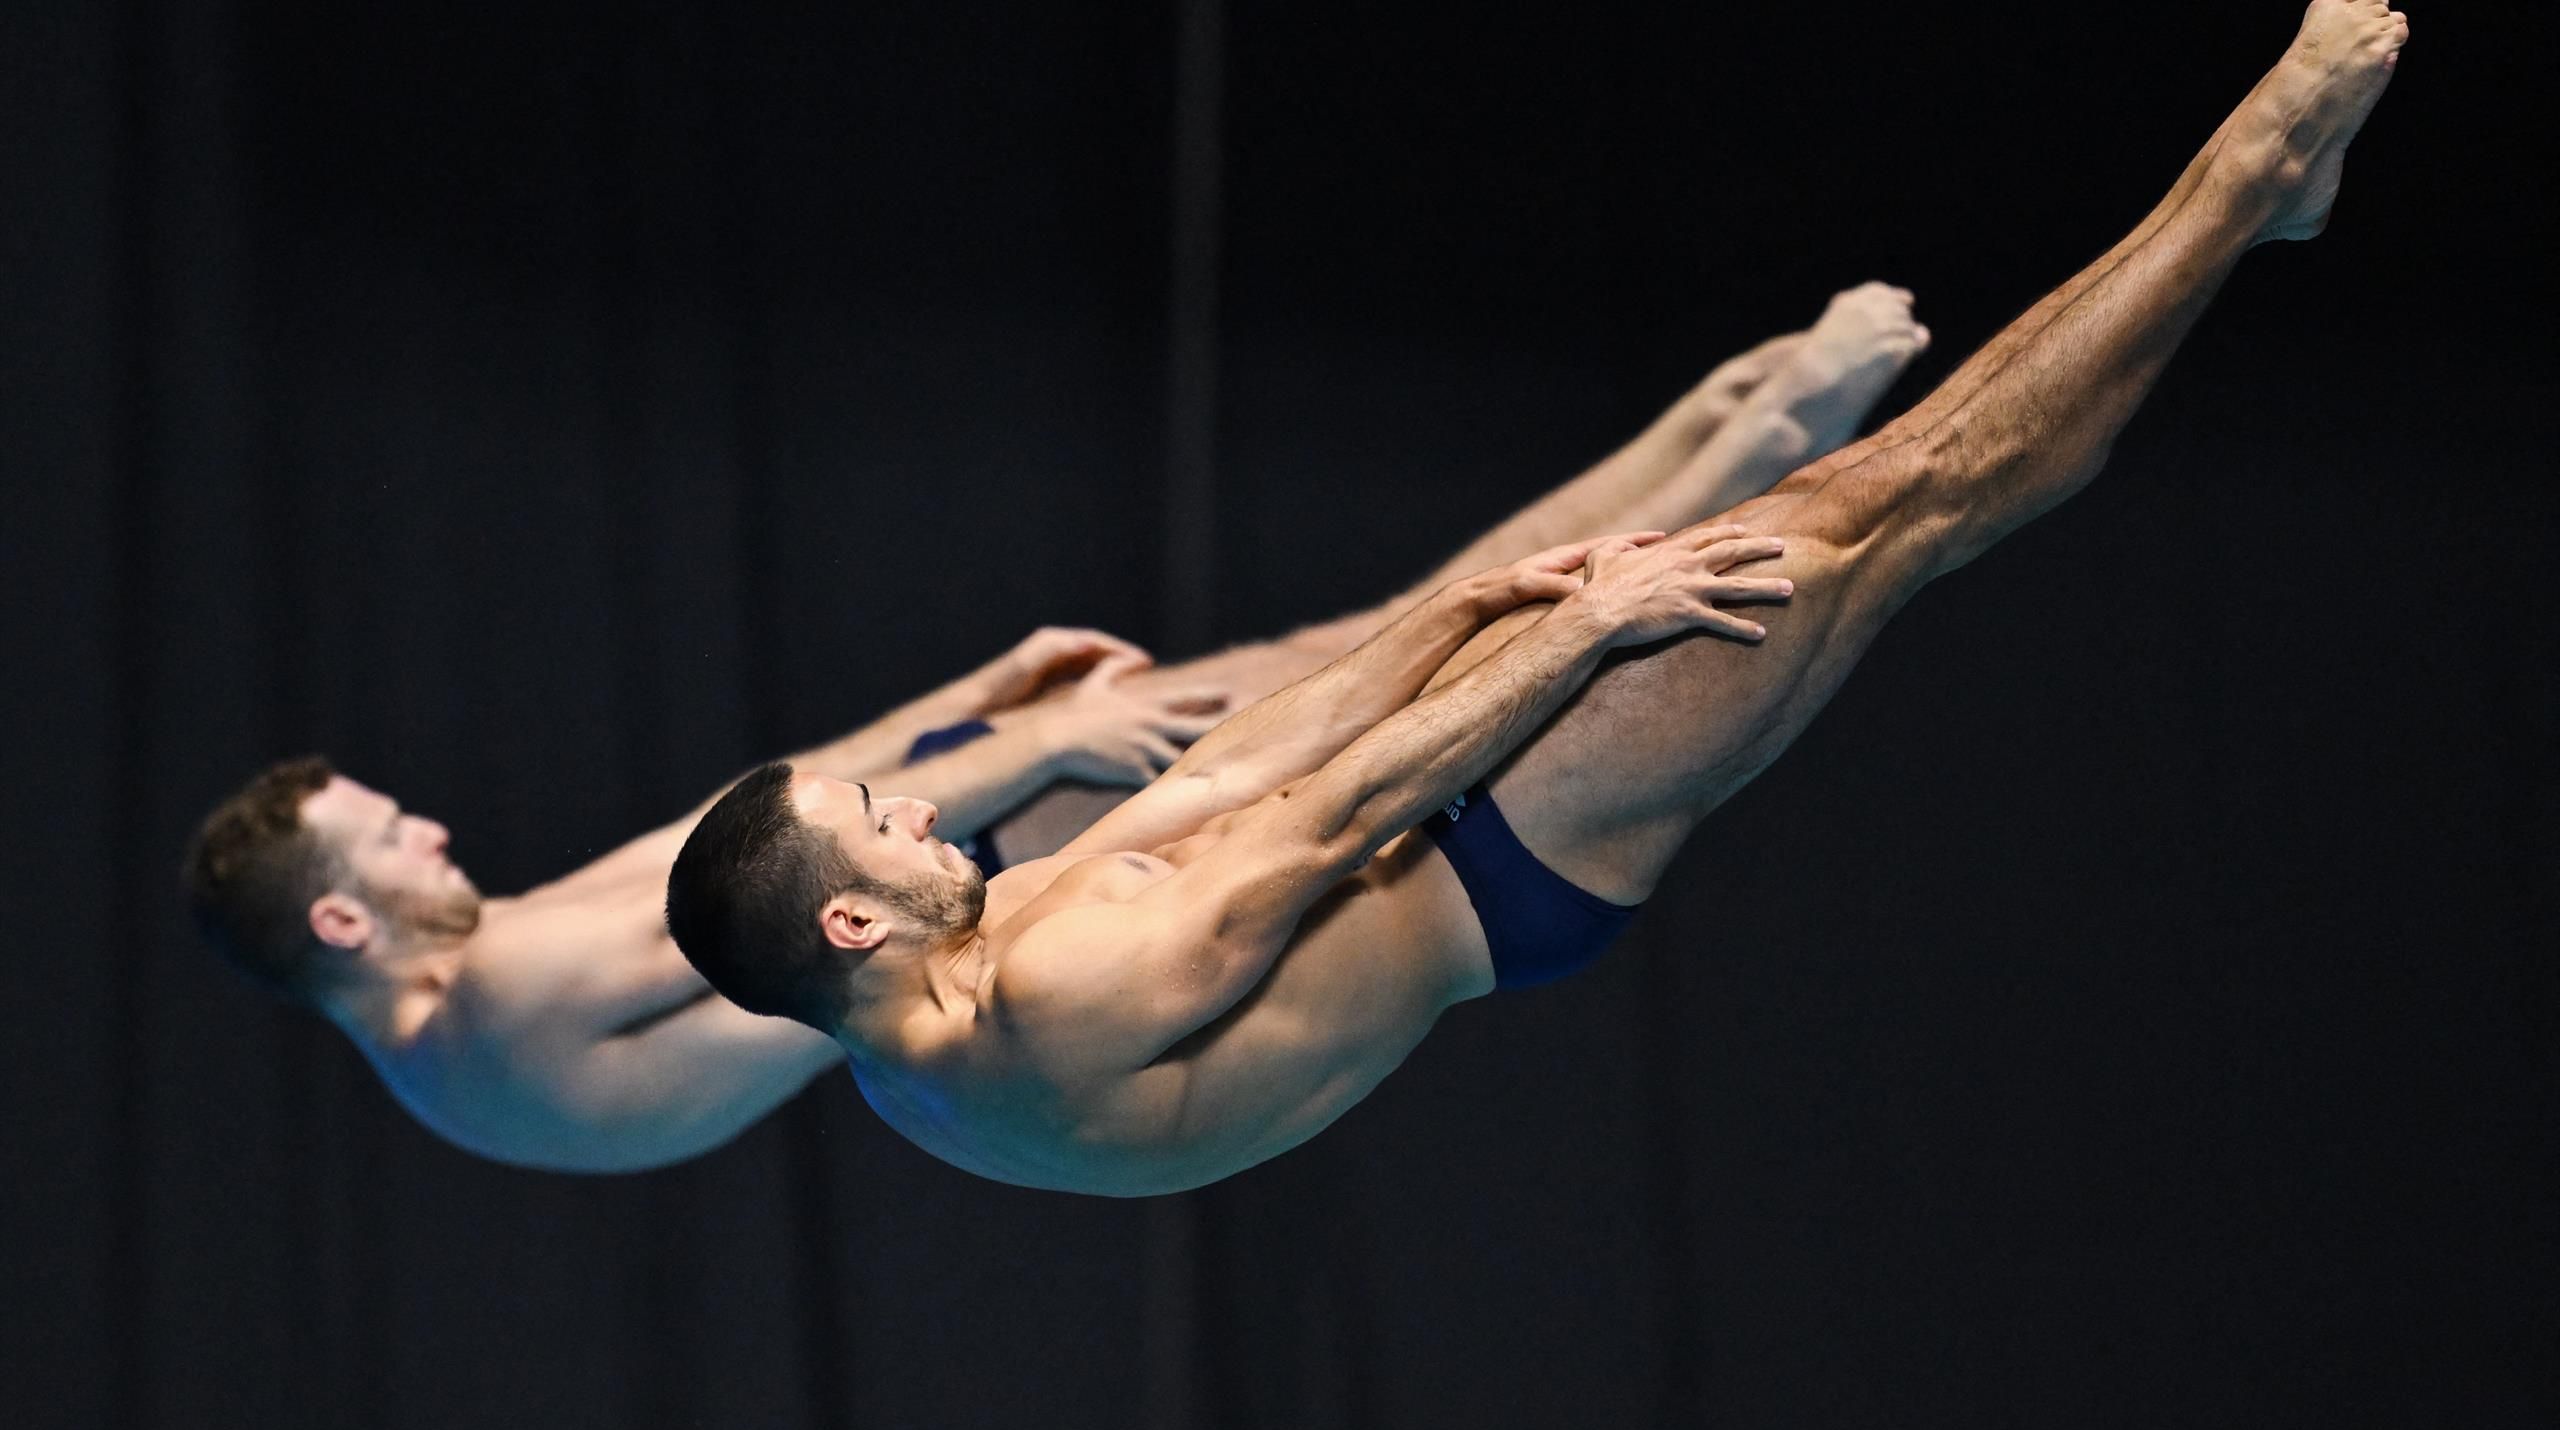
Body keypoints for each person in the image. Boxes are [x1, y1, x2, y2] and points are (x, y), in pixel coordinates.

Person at [665, 0, 2410, 1197]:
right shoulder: (1042, 1018)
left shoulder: (968, 967)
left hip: (1446, 798)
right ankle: (2255, 172)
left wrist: (1480, 600)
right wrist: (1576, 631)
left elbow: (1224, 773)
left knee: (1883, 510)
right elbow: (1332, 812)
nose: (917, 799)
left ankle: (2251, 217)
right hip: (1507, 863)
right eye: (876, 817)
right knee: (1889, 505)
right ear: (846, 924)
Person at [183, 287, 1931, 1172]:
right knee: (1370, 663)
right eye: (390, 837)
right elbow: (742, 871)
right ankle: (1743, 429)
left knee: (1358, 657)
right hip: (965, 926)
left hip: (921, 952)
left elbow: (745, 832)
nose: (429, 831)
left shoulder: (453, 1071)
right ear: (338, 918)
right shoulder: (492, 995)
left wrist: (968, 706)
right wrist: (1025, 748)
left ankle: (1732, 429)